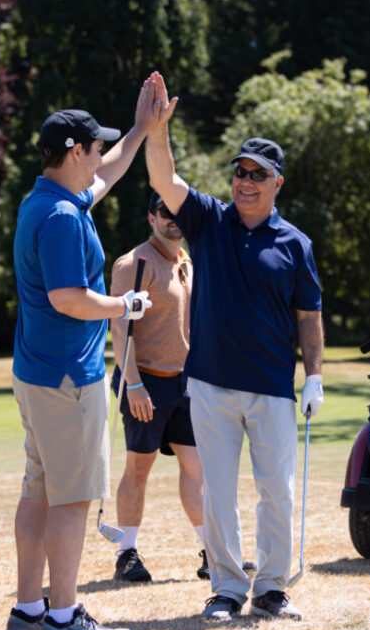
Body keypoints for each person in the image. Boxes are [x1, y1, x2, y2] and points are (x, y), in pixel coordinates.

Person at [144, 73, 325, 622]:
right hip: (210, 383)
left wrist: (313, 375)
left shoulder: (296, 244)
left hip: (272, 387)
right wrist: (156, 130)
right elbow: (164, 175)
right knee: (217, 491)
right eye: (239, 172)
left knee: (278, 492)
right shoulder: (207, 218)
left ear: (277, 183)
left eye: (257, 175)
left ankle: (271, 588)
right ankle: (225, 588)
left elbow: (309, 317)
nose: (244, 182)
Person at [4, 77, 157, 630]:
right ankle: (64, 618)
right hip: (70, 377)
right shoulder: (65, 218)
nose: (99, 157)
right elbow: (69, 297)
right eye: (93, 148)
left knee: (39, 491)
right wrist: (127, 303)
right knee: (71, 498)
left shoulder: (46, 200)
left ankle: (27, 611)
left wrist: (142, 129)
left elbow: (110, 174)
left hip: (37, 372)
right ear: (74, 152)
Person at [109, 192, 258, 584]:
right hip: (144, 380)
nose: (173, 218)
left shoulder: (188, 262)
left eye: (177, 212)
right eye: (164, 212)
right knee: (139, 468)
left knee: (197, 468)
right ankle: (127, 554)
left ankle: (212, 553)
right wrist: (134, 385)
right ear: (151, 218)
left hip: (186, 383)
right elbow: (120, 328)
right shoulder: (134, 263)